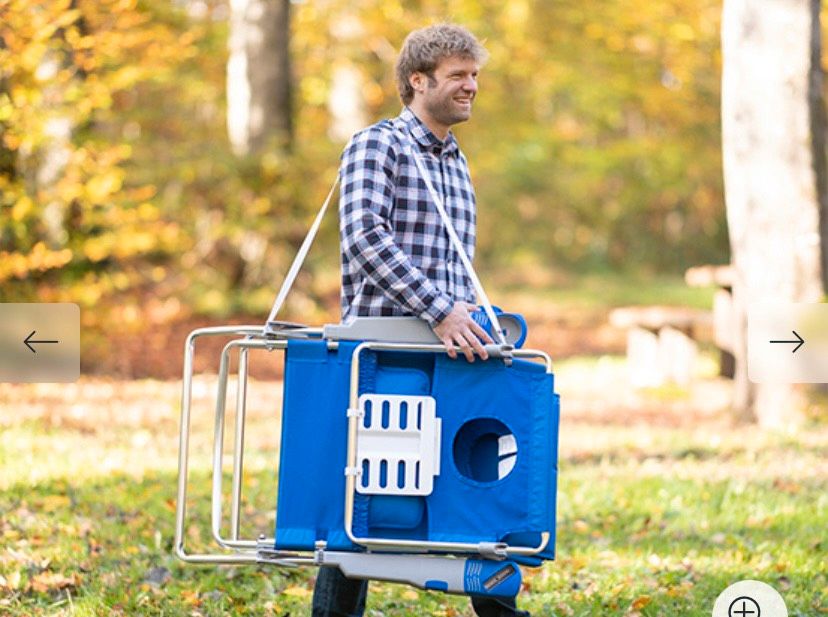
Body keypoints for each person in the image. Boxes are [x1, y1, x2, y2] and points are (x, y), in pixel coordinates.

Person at [311, 23, 530, 617]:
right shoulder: (375, 145)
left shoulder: (457, 161)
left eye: (475, 75)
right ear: (418, 80)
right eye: (459, 75)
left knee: (469, 487)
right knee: (364, 503)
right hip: (382, 357)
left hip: (447, 358)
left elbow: (454, 269)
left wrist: (474, 319)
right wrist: (438, 311)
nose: (472, 87)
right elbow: (364, 237)